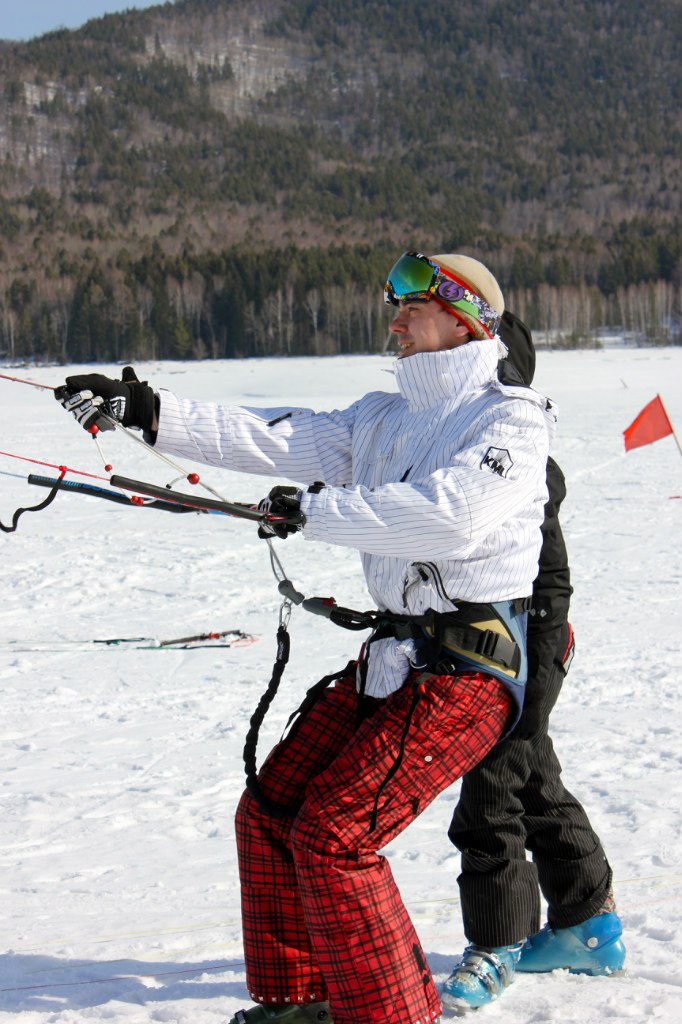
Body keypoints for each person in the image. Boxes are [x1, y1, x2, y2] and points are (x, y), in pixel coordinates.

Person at [57, 252, 555, 1024]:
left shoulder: (510, 419)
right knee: (271, 814)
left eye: (410, 310)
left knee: (335, 837)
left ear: (461, 319)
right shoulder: (381, 418)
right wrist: (149, 411)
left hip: (468, 671)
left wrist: (316, 512)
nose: (393, 323)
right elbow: (268, 435)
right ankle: (302, 1004)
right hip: (394, 663)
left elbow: (451, 513)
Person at [441, 312, 625, 1013]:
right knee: (531, 775)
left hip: (525, 643)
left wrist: (536, 664)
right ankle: (588, 921)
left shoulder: (516, 454)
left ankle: (497, 944)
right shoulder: (454, 442)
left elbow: (545, 579)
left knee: (491, 787)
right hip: (480, 640)